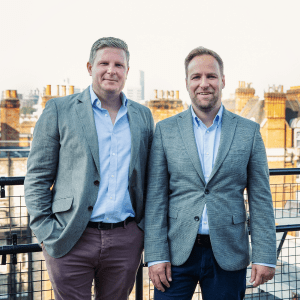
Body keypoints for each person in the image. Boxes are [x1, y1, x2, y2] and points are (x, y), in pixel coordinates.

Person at [25, 37, 154, 300]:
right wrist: (46, 232)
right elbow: (37, 176)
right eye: (103, 63)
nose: (111, 70)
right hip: (70, 237)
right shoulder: (60, 110)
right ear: (89, 67)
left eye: (119, 64)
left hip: (125, 240)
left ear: (127, 71)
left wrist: (140, 231)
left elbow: (150, 177)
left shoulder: (142, 115)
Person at [144, 46, 276, 300]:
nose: (204, 84)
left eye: (211, 76)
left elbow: (261, 198)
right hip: (176, 256)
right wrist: (156, 254)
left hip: (228, 254)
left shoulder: (248, 131)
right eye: (196, 77)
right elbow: (156, 199)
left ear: (223, 80)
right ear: (187, 83)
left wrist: (265, 255)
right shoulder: (165, 130)